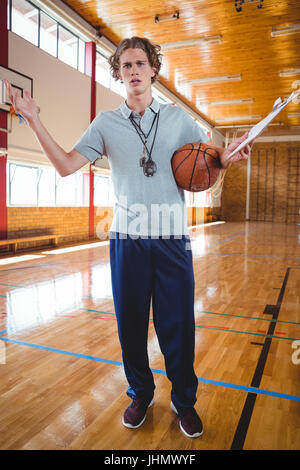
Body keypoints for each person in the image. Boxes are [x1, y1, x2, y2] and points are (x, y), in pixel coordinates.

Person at [3, 36, 253, 439]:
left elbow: (210, 160)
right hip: (127, 241)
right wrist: (32, 118)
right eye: (126, 65)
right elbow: (67, 166)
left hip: (172, 239)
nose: (133, 70)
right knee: (130, 327)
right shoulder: (105, 123)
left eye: (140, 63)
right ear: (118, 72)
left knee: (178, 326)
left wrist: (228, 156)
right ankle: (140, 392)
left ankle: (183, 401)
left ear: (153, 69)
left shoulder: (178, 119)